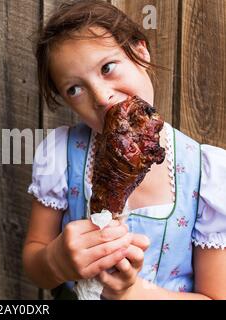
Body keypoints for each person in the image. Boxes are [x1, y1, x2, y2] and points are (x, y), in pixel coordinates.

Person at [22, 0, 226, 299]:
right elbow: (33, 260)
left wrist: (133, 294)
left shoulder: (207, 174)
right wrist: (56, 261)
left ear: (140, 53)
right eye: (74, 89)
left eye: (107, 67)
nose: (102, 97)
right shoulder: (61, 155)